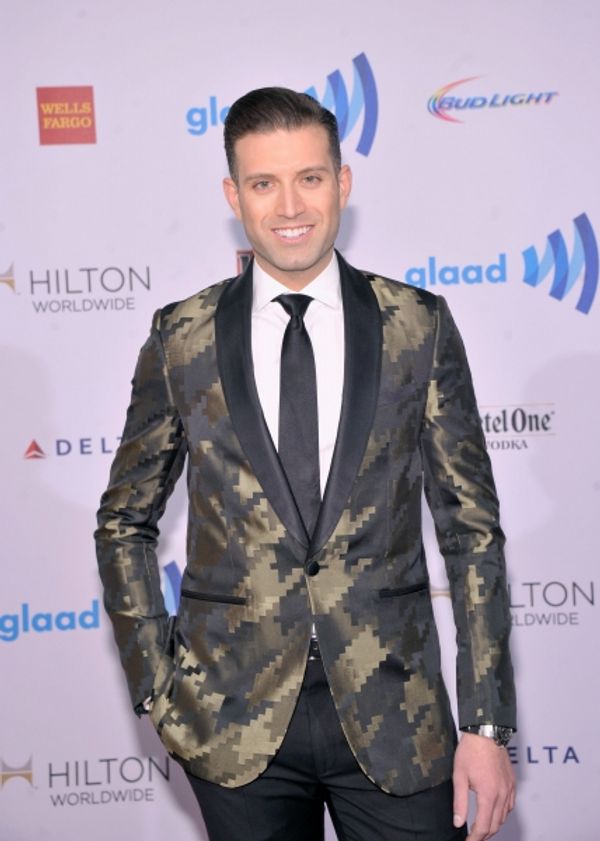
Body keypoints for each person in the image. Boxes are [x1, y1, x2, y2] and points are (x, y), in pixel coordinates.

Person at [95, 87, 516, 841]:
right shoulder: (181, 339)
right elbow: (124, 519)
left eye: (310, 178)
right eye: (263, 183)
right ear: (234, 195)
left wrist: (486, 720)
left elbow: (472, 531)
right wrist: (156, 687)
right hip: (233, 723)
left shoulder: (417, 326)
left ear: (343, 183)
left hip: (398, 716)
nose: (289, 204)